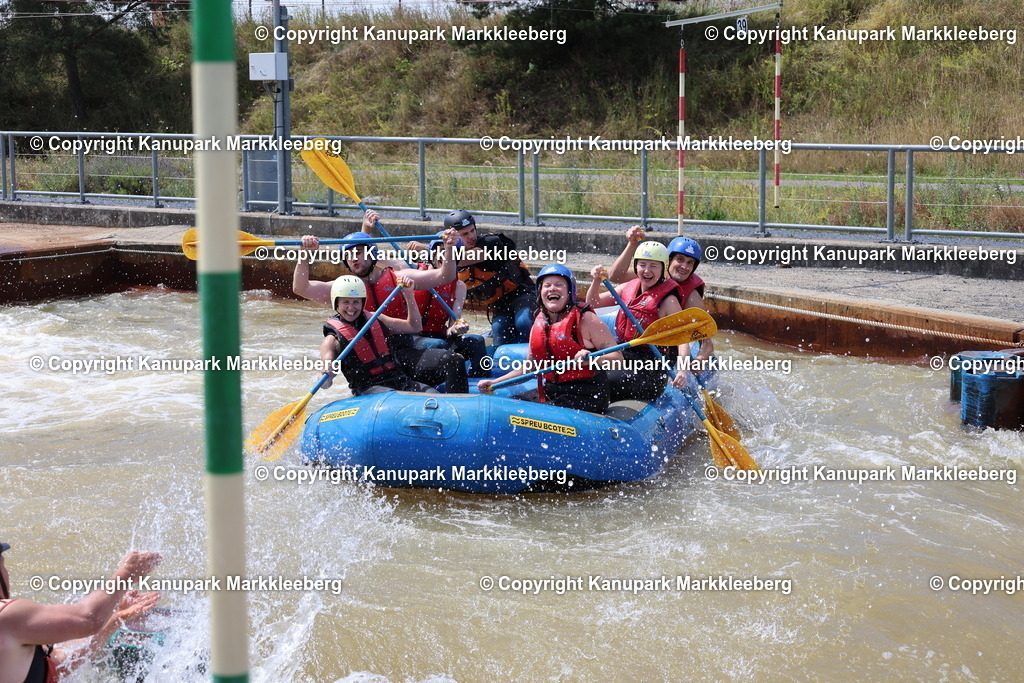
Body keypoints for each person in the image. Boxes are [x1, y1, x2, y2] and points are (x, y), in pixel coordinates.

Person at [295, 211, 469, 393]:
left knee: (453, 360)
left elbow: (445, 275)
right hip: (371, 364)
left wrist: (449, 247)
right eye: (349, 255)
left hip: (402, 353)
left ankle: (458, 405)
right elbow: (301, 288)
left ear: (372, 254)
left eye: (358, 253)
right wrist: (304, 255)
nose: (354, 258)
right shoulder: (343, 290)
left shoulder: (398, 278)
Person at [0, 542, 161, 683]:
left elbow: (60, 665)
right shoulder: (9, 616)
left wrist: (115, 618)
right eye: (3, 564)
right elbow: (89, 618)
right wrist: (127, 573)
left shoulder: (12, 634)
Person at [478, 265, 623, 414]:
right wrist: (495, 383)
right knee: (508, 411)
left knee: (534, 415)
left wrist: (592, 360)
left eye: (559, 285)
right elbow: (531, 366)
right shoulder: (539, 321)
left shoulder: (586, 319)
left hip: (585, 394)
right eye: (547, 285)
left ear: (570, 291)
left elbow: (618, 359)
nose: (552, 288)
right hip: (551, 391)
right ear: (540, 292)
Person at [607, 226, 715, 388]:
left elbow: (707, 342)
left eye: (690, 263)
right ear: (668, 260)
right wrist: (632, 244)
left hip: (665, 352)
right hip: (638, 348)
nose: (684, 267)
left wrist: (700, 360)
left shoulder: (692, 297)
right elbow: (614, 276)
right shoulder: (652, 272)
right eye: (680, 259)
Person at [586, 241, 684, 403]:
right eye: (642, 265)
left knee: (601, 380)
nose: (647, 270)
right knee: (586, 369)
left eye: (653, 266)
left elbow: (683, 338)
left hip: (651, 368)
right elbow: (593, 303)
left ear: (663, 268)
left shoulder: (668, 301)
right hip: (625, 355)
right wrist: (596, 281)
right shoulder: (629, 286)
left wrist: (682, 371)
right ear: (636, 266)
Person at [321, 275, 442, 396]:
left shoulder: (376, 319)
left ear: (362, 302)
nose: (351, 307)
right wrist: (326, 374)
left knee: (433, 395)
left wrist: (408, 294)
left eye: (356, 302)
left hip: (398, 380)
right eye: (345, 302)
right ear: (336, 303)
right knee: (394, 397)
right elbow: (325, 384)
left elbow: (415, 327)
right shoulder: (331, 340)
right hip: (368, 389)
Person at [447, 210, 536, 347]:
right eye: (464, 234)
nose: (471, 236)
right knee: (499, 329)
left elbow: (466, 259)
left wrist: (427, 249)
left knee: (523, 322)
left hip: (523, 294)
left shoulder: (491, 242)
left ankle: (536, 352)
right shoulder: (448, 256)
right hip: (500, 303)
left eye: (472, 230)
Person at [412, 233, 489, 378]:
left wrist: (455, 329)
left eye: (451, 253)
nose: (446, 257)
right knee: (439, 345)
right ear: (432, 254)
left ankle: (482, 383)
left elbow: (451, 327)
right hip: (413, 337)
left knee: (476, 341)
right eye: (442, 251)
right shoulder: (415, 273)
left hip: (439, 336)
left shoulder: (459, 286)